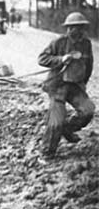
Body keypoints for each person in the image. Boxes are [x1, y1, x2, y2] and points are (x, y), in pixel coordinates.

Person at [38, 12, 95, 159]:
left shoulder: (86, 44)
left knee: (88, 110)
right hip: (57, 86)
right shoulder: (59, 42)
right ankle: (47, 153)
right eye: (72, 28)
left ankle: (67, 129)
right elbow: (42, 58)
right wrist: (61, 59)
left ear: (83, 29)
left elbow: (88, 66)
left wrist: (84, 84)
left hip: (75, 87)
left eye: (79, 28)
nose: (76, 31)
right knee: (56, 122)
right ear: (67, 29)